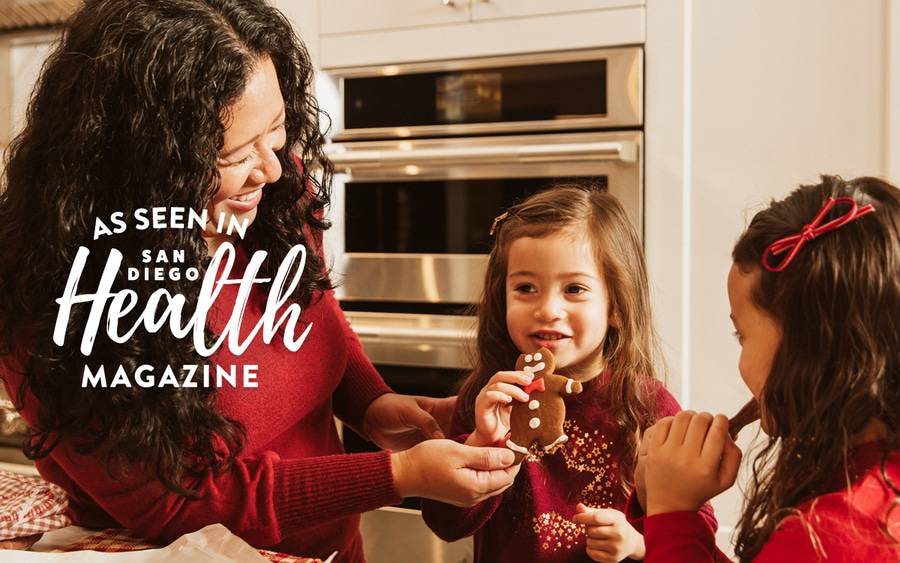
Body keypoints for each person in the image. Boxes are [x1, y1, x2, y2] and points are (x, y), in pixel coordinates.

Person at [0, 1, 517, 560]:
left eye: (276, 131)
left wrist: (369, 403)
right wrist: (396, 474)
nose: (271, 169)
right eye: (237, 152)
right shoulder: (50, 300)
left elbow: (315, 312)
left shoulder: (270, 195)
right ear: (142, 165)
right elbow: (182, 502)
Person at [421, 185, 716, 562]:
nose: (547, 309)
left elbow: (695, 528)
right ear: (502, 297)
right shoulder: (488, 398)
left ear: (617, 306)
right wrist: (482, 441)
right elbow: (447, 523)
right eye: (526, 288)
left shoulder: (647, 406)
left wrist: (639, 542)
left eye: (574, 289)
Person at [636, 175, 900, 561]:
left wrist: (672, 513)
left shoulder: (831, 537)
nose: (740, 357)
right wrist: (670, 513)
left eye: (741, 335)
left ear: (808, 344)